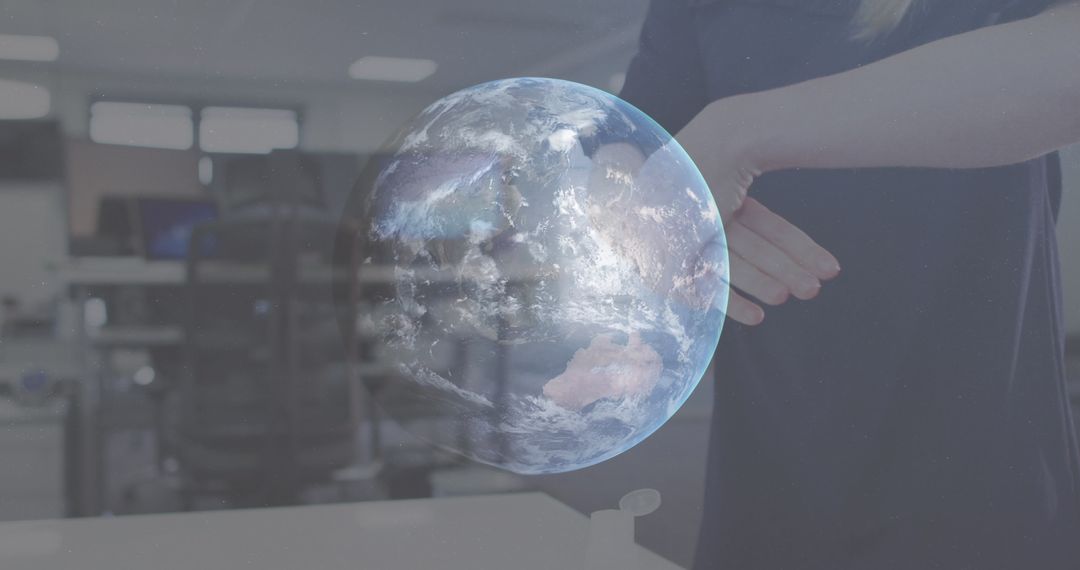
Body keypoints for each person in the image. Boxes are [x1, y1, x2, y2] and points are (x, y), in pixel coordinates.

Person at [615, 0, 1080, 567]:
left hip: (976, 476)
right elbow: (631, 140)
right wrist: (623, 201)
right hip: (769, 466)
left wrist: (740, 133)